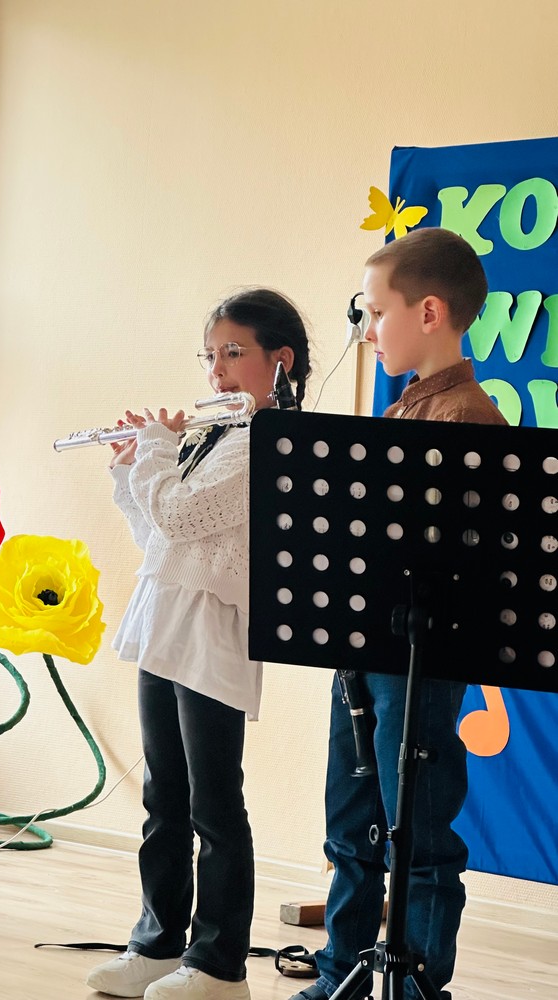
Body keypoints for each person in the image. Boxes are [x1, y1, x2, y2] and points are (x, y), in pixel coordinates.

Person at [288, 227, 509, 1000]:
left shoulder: (466, 420)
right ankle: (341, 973)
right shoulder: (403, 410)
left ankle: (416, 985)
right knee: (351, 827)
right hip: (364, 649)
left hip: (418, 659)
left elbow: (468, 568)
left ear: (430, 312)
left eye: (375, 312)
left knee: (418, 830)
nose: (367, 330)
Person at [87, 288, 311, 1000]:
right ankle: (157, 945)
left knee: (214, 803)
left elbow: (182, 516)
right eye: (210, 355)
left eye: (233, 353)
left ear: (280, 361)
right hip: (166, 624)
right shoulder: (217, 436)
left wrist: (157, 451)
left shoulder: (269, 442)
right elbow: (160, 537)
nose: (216, 371)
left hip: (213, 634)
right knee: (165, 798)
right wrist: (131, 467)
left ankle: (218, 965)